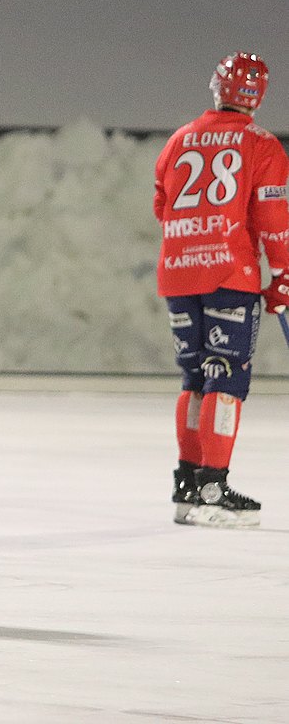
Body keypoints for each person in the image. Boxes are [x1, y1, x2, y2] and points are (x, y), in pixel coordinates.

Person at [155, 51, 286, 529]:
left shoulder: (179, 139)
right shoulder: (262, 145)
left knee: (194, 377)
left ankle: (187, 486)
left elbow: (161, 206)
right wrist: (284, 274)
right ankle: (214, 487)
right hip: (231, 275)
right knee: (226, 377)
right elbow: (272, 219)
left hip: (178, 271)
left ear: (217, 86)